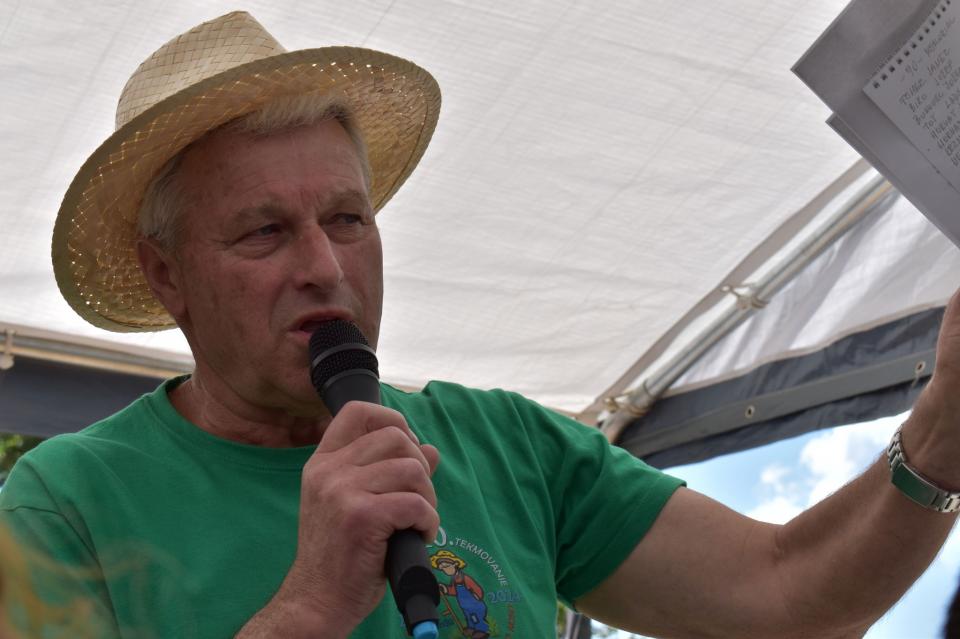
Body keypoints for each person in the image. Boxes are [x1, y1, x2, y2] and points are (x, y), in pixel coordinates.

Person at [1, 10, 959, 639]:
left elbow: (790, 595)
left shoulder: (508, 444)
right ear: (165, 274)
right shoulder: (61, 504)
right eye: (264, 231)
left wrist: (943, 433)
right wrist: (311, 602)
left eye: (347, 218)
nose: (324, 266)